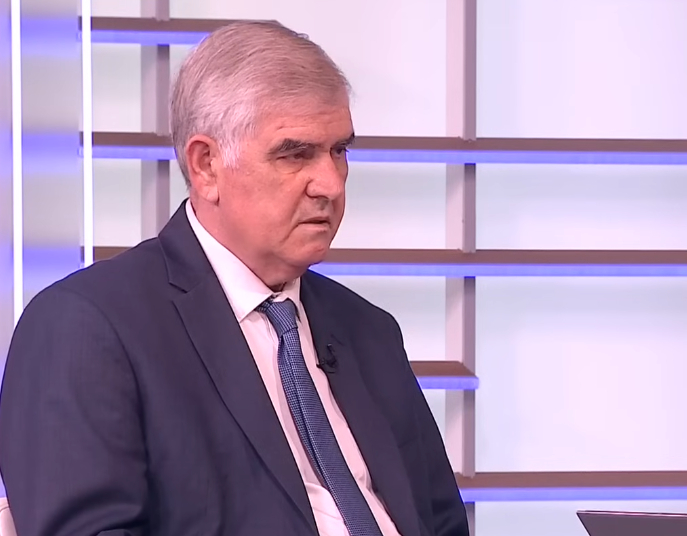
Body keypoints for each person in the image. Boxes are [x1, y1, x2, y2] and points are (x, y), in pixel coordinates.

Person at [0, 20, 469, 536]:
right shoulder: (89, 328)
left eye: (339, 151)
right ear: (206, 166)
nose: (331, 184)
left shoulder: (368, 330)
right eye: (295, 154)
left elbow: (442, 522)